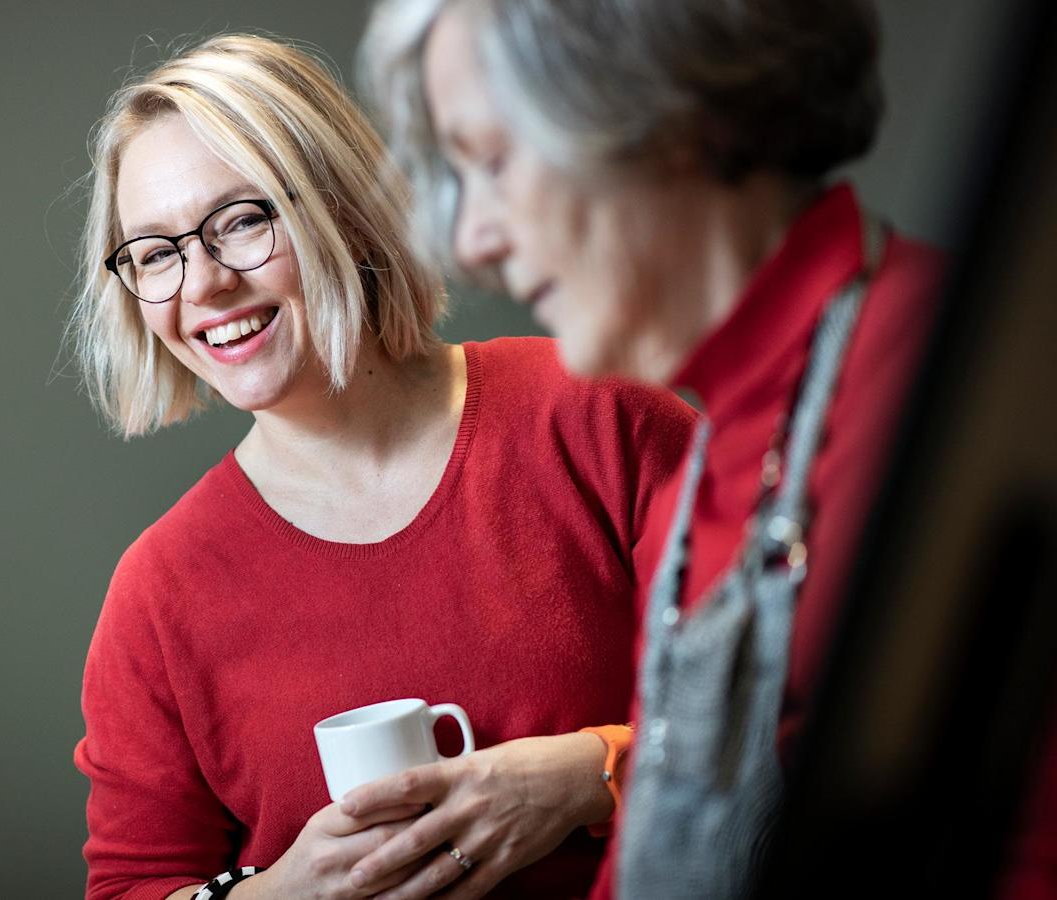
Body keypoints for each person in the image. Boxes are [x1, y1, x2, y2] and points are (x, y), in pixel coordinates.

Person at [353, 0, 965, 896]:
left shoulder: (934, 378)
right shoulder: (698, 485)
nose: (474, 241)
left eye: (492, 162)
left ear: (660, 107)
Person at [69, 34, 695, 900]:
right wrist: (291, 891)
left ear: (345, 210)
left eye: (242, 220)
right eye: (154, 252)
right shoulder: (159, 594)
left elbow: (799, 693)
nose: (202, 283)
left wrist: (589, 776)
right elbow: (132, 886)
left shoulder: (594, 417)